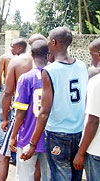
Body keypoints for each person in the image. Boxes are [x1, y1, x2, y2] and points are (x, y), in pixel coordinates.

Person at [21, 27, 88, 181]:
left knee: (60, 176)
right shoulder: (82, 66)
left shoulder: (49, 71)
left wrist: (32, 143)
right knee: (75, 176)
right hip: (79, 132)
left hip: (57, 133)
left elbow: (44, 112)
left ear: (53, 42)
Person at [9, 40, 50, 181]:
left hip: (28, 134)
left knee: (25, 176)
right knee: (49, 176)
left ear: (31, 54)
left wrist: (13, 135)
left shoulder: (26, 78)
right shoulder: (53, 75)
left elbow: (20, 112)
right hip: (49, 135)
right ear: (48, 55)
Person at [0, 38, 28, 181]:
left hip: (19, 108)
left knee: (3, 153)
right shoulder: (45, 65)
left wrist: (5, 118)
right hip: (37, 113)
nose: (11, 49)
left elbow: (7, 91)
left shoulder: (15, 61)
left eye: (13, 47)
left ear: (19, 48)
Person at [73, 37, 100, 180]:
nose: (90, 59)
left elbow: (93, 121)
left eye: (92, 54)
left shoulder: (96, 82)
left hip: (96, 151)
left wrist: (81, 153)